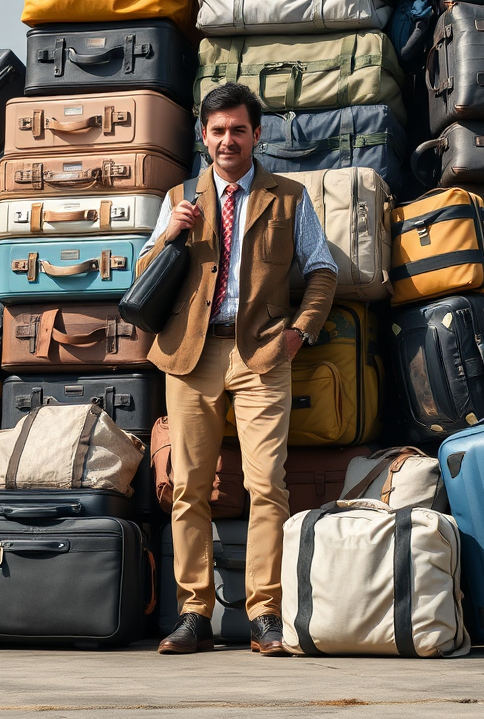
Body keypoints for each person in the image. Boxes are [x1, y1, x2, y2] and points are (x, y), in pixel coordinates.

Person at [136, 82, 337, 656]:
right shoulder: (179, 195)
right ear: (204, 137)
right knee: (189, 488)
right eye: (218, 131)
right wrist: (170, 230)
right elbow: (146, 273)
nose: (229, 140)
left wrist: (299, 334)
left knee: (266, 486)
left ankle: (265, 614)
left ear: (257, 134)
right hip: (189, 356)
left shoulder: (289, 196)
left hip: (262, 356)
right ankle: (194, 614)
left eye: (239, 130)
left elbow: (321, 269)